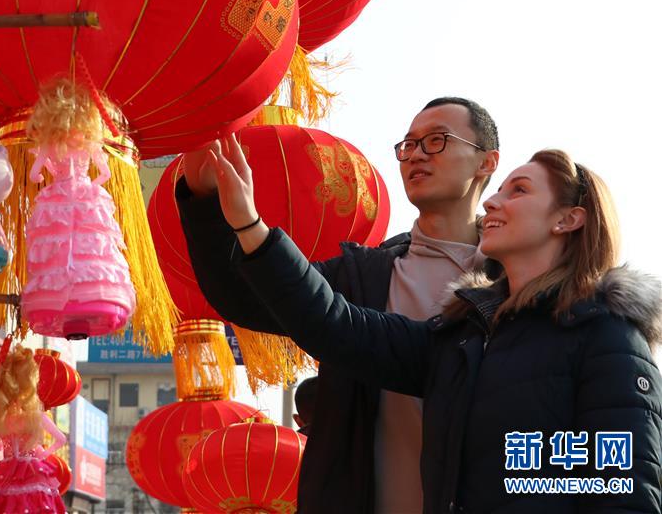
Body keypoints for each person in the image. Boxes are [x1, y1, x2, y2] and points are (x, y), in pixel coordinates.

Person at [199, 142, 662, 512]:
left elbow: (624, 490)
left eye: (518, 190)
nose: (495, 200)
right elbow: (336, 325)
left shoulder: (608, 336)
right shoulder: (461, 335)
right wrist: (250, 225)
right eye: (499, 190)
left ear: (568, 219)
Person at [178, 97, 500, 512]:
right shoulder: (363, 275)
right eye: (408, 144)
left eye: (436, 140)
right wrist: (205, 200)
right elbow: (247, 298)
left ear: (486, 162)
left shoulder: (513, 281)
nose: (416, 153)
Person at [0, 344, 68, 513]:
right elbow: (61, 439)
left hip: (5, 474)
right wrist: (43, 453)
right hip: (32, 470)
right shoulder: (35, 416)